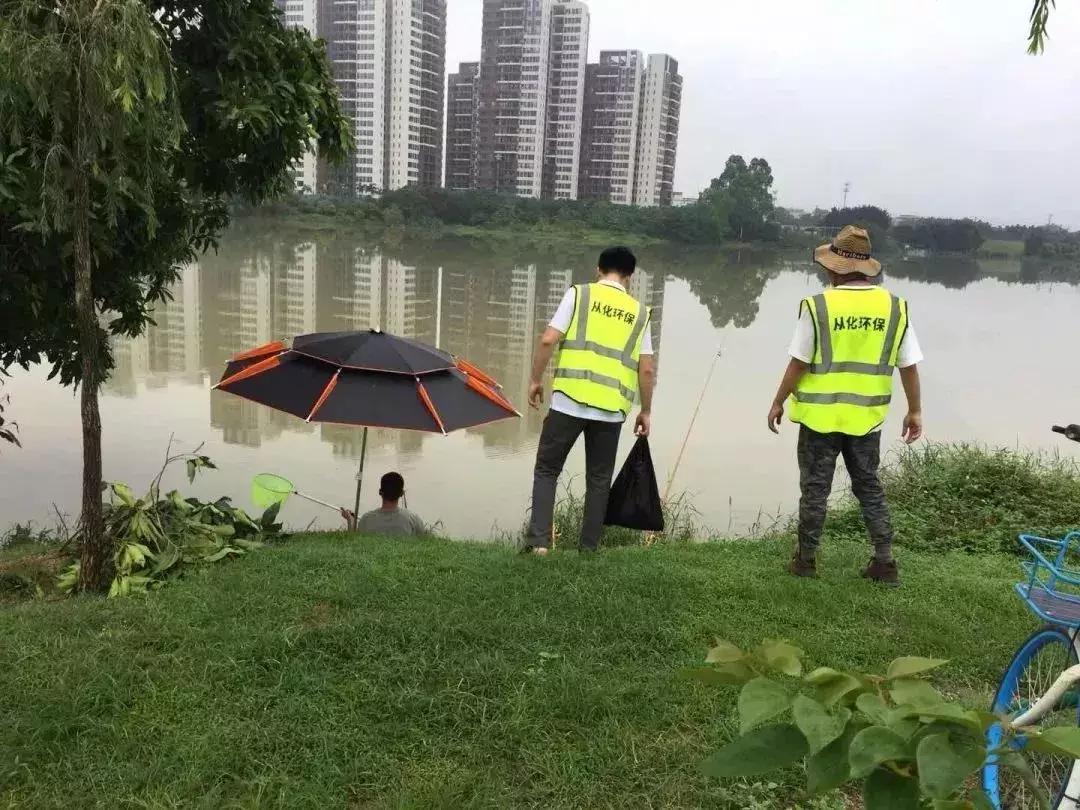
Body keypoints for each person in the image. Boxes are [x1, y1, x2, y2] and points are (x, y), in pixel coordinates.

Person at [767, 225, 923, 586]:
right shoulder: (895, 308)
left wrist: (778, 400)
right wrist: (915, 410)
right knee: (869, 487)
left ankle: (805, 561)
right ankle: (885, 563)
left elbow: (799, 362)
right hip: (866, 419)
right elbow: (909, 365)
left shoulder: (818, 305)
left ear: (834, 267)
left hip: (819, 419)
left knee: (815, 490)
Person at [523, 246, 657, 555]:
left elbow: (547, 339)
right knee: (599, 480)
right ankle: (588, 548)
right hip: (611, 410)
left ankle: (539, 544)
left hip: (568, 401)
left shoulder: (579, 295)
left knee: (547, 470)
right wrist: (646, 410)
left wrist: (534, 380)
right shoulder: (640, 313)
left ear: (599, 269)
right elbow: (646, 368)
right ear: (630, 277)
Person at [342, 472, 427, 537]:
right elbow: (425, 540)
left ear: (380, 492)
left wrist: (350, 520)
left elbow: (354, 543)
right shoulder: (413, 519)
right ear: (402, 493)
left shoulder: (366, 520)